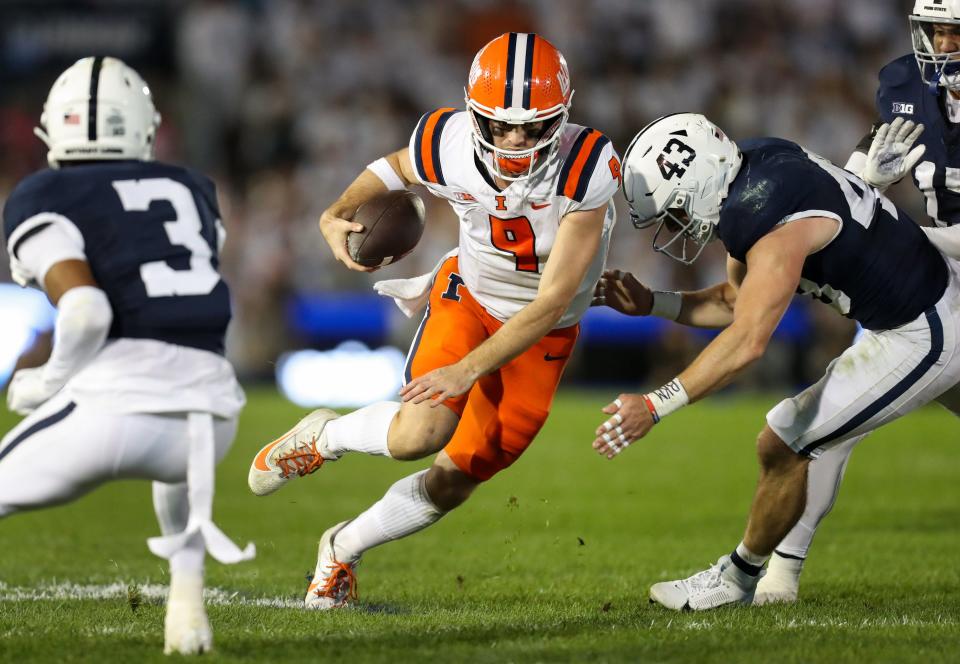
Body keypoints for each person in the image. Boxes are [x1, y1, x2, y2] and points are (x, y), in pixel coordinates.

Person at [247, 32, 620, 609]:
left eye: (534, 126)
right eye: (500, 125)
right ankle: (326, 435)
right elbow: (393, 168)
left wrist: (469, 371)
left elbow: (548, 304)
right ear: (476, 116)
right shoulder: (448, 141)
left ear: (562, 117)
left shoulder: (588, 167)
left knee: (456, 479)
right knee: (420, 434)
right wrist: (338, 210)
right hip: (469, 296)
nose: (516, 140)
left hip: (545, 328)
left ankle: (340, 549)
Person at [596, 112, 960, 611]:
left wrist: (655, 405)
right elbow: (734, 300)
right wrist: (653, 303)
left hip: (924, 330)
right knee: (788, 439)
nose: (677, 228)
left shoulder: (763, 213)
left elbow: (748, 338)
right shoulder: (756, 163)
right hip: (924, 308)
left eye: (676, 213)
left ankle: (736, 578)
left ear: (701, 184)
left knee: (784, 438)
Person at [0, 57, 252, 653]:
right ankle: (186, 596)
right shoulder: (193, 187)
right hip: (213, 417)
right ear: (144, 125)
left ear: (53, 128)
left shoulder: (42, 192)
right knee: (181, 455)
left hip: (114, 411)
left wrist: (46, 380)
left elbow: (87, 310)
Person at [756, 0, 960, 604]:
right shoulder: (901, 82)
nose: (944, 46)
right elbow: (858, 174)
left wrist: (900, 233)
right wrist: (865, 179)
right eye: (936, 31)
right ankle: (781, 573)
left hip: (934, 258)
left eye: (956, 32)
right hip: (930, 281)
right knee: (830, 422)